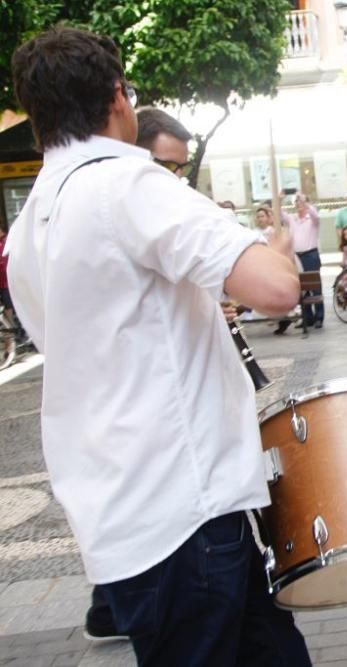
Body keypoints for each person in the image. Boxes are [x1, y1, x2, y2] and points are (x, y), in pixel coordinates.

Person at [4, 26, 309, 664]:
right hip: (184, 509)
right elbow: (276, 290)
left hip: (123, 507)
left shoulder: (31, 220)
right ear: (118, 97)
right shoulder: (127, 185)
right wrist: (276, 255)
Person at [277, 192, 323, 330]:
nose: (298, 203)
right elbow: (279, 214)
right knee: (302, 289)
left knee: (315, 287)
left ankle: (319, 317)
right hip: (297, 256)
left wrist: (305, 201)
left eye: (300, 201)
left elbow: (315, 215)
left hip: (311, 254)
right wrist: (280, 198)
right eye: (296, 201)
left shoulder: (312, 218)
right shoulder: (292, 218)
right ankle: (307, 317)